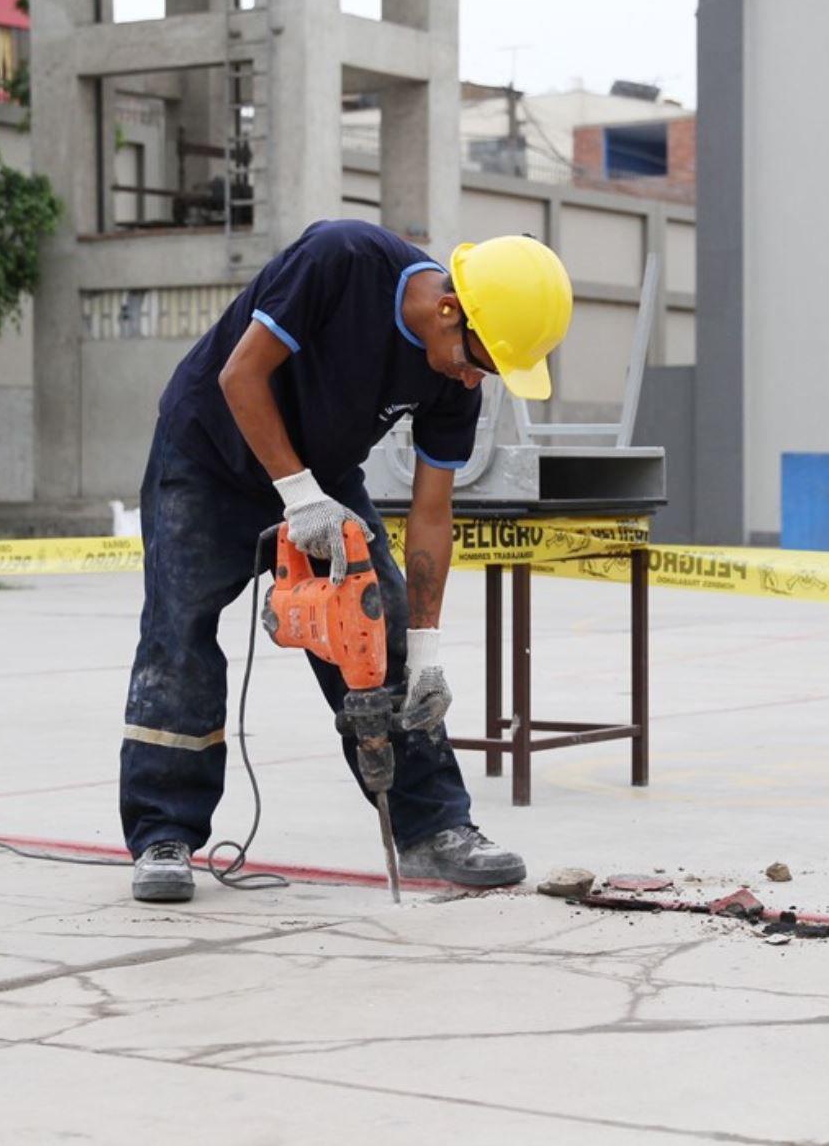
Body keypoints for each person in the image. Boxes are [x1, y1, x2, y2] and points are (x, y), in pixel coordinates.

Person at [120, 218, 574, 902]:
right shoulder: (342, 261)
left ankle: (434, 827)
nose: (474, 375)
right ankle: (164, 833)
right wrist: (299, 498)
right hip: (208, 453)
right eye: (475, 357)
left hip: (323, 474)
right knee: (177, 634)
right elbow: (240, 374)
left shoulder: (456, 380)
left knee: (377, 628)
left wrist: (424, 647)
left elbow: (431, 513)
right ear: (450, 309)